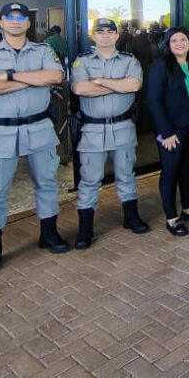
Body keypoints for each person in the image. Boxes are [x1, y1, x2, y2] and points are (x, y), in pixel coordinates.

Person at [0, 2, 66, 276]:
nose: (15, 21)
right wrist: (33, 80)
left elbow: (56, 76)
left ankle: (49, 234)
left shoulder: (43, 50)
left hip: (39, 127)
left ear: (28, 23)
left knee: (47, 184)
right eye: (9, 17)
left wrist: (9, 77)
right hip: (1, 131)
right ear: (1, 22)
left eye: (20, 17)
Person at [69, 18, 148, 250]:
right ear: (93, 36)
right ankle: (85, 228)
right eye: (100, 31)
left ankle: (131, 217)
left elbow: (133, 86)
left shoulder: (129, 60)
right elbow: (80, 88)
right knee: (90, 180)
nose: (105, 35)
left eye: (110, 31)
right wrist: (117, 85)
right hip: (92, 130)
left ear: (116, 36)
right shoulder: (82, 61)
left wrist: (100, 82)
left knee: (126, 174)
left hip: (123, 127)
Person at [147, 27, 189, 237]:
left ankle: (188, 209)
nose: (179, 43)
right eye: (174, 40)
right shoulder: (160, 66)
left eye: (183, 39)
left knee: (187, 168)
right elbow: (154, 101)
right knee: (170, 170)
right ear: (168, 44)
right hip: (172, 129)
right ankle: (171, 218)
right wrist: (166, 132)